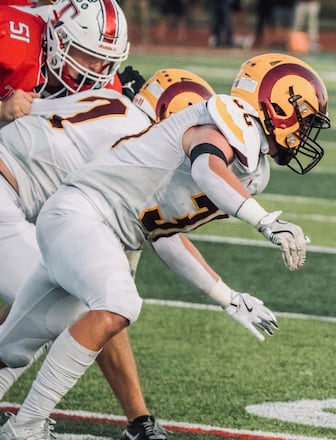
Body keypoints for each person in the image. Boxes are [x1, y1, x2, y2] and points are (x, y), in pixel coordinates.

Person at [0, 53, 330, 439]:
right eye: (305, 117)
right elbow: (207, 165)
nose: (307, 130)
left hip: (88, 223)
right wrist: (265, 221)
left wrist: (229, 298)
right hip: (82, 214)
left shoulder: (252, 170)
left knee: (16, 344)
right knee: (118, 303)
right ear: (277, 103)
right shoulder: (227, 117)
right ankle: (26, 427)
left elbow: (164, 235)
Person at [0, 68, 215, 440]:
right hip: (7, 197)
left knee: (54, 297)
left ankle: (32, 424)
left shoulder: (112, 103)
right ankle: (27, 427)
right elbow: (160, 240)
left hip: (12, 195)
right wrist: (222, 293)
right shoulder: (135, 146)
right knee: (66, 300)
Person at [0, 0, 132, 124]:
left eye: (105, 58)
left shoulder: (107, 87)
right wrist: (2, 109)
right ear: (59, 38)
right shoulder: (9, 40)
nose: (97, 67)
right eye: (90, 55)